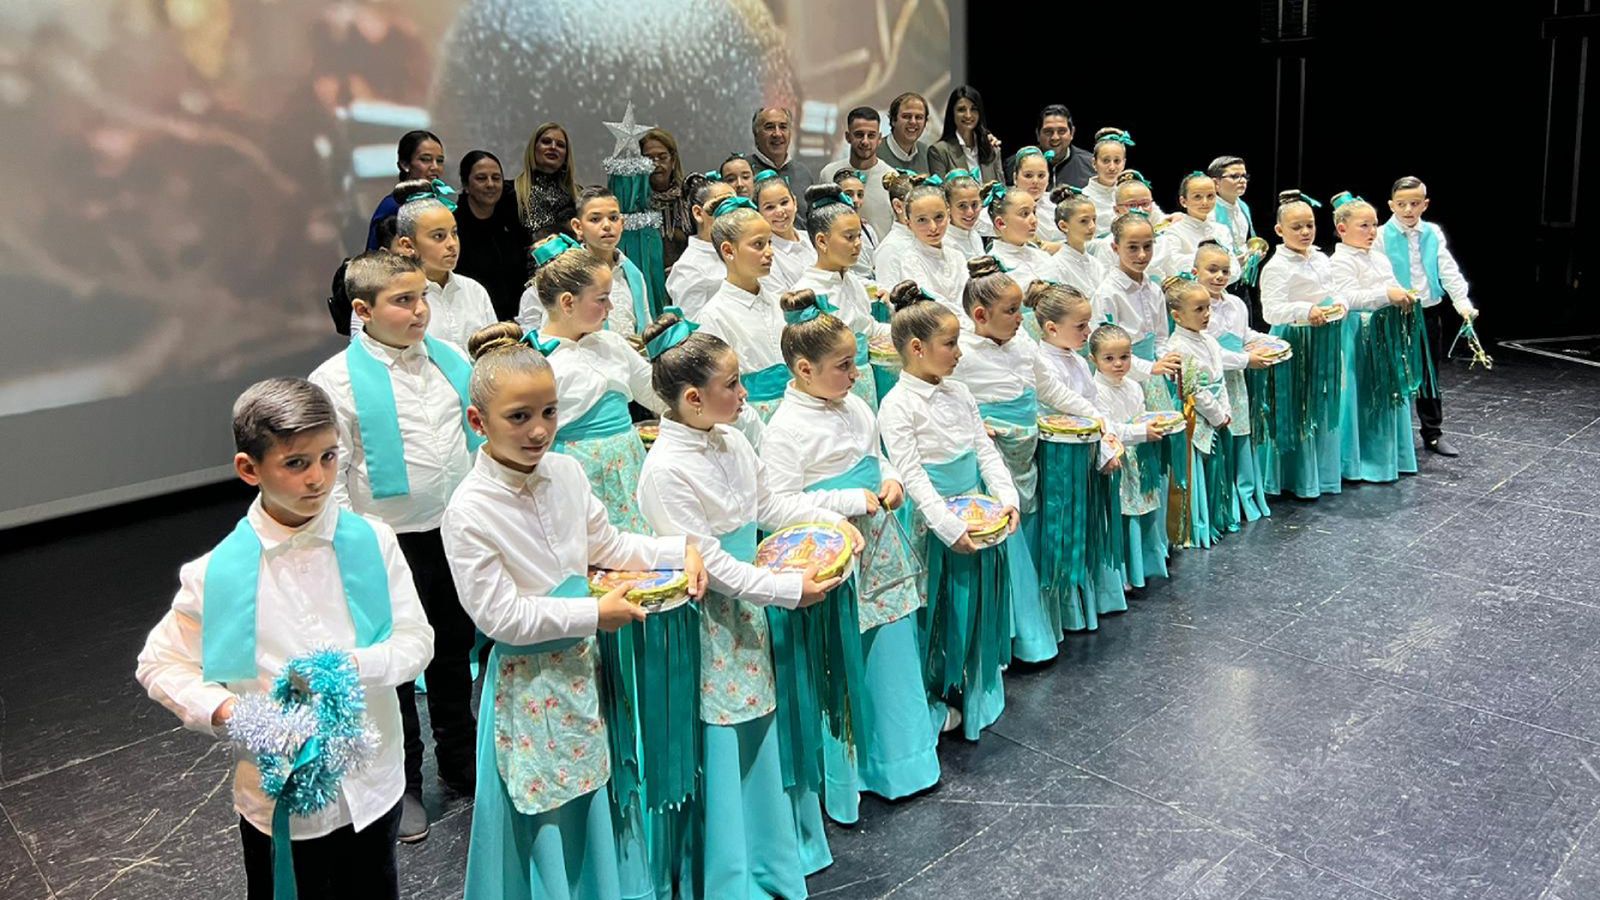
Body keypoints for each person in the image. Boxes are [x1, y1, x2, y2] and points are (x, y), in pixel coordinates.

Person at [136, 377, 434, 899]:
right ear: (250, 469)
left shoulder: (374, 541)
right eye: (296, 464)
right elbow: (159, 664)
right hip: (283, 803)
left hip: (374, 781)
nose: (318, 479)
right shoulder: (216, 574)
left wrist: (351, 667)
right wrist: (235, 715)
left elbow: (416, 640)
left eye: (328, 457)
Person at [441, 324, 706, 900]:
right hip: (530, 680)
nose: (539, 430)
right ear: (477, 422)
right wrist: (593, 615)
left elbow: (607, 545)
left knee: (601, 794)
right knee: (550, 810)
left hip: (588, 665)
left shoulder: (565, 471)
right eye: (519, 417)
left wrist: (680, 550)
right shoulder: (467, 511)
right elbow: (500, 618)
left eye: (549, 412)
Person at [635, 323, 860, 898]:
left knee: (766, 726)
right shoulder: (665, 471)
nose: (743, 394)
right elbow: (708, 561)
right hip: (711, 619)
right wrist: (788, 590)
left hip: (755, 601)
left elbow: (769, 506)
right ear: (692, 399)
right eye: (732, 385)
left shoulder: (732, 440)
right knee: (727, 735)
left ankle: (778, 856)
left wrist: (832, 523)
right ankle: (736, 874)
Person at [309, 250, 483, 840]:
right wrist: (352, 549)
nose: (419, 312)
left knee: (456, 648)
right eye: (403, 301)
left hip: (455, 531)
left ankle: (461, 759)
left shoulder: (449, 361)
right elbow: (334, 476)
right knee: (396, 667)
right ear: (363, 310)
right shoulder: (334, 381)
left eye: (423, 298)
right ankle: (403, 782)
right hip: (388, 543)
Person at [758, 289, 937, 824]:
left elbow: (876, 455)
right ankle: (853, 774)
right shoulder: (785, 429)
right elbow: (776, 507)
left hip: (879, 546)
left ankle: (903, 758)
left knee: (893, 649)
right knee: (846, 662)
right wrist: (847, 500)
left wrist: (889, 477)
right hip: (836, 556)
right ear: (805, 369)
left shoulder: (856, 404)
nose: (855, 374)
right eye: (843, 366)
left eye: (855, 362)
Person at [877, 287, 1021, 741]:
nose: (959, 353)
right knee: (939, 608)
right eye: (950, 344)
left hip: (976, 510)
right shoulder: (897, 405)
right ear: (917, 349)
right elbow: (912, 475)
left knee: (977, 602)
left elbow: (982, 447)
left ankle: (976, 685)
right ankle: (936, 690)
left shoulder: (959, 392)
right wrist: (947, 524)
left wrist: (1006, 497)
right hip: (932, 524)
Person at [1373, 175, 1477, 458]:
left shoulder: (1432, 233)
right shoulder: (1381, 235)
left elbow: (1447, 268)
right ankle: (1391, 434)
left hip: (1427, 311)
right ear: (1391, 205)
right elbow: (1377, 272)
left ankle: (1432, 433)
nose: (1408, 210)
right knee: (1392, 371)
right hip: (1394, 312)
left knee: (1429, 372)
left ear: (1425, 204)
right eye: (1402, 204)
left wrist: (1461, 301)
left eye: (1414, 203)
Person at [1330, 192, 1427, 484]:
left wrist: (1404, 296)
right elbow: (1346, 296)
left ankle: (1390, 458)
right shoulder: (1339, 261)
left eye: (1374, 225)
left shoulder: (1379, 258)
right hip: (1358, 336)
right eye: (1364, 226)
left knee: (1387, 393)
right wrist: (1386, 296)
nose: (1372, 231)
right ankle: (1360, 462)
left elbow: (1391, 285)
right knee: (1362, 395)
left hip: (1382, 336)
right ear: (1342, 229)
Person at [1259, 190, 1350, 500]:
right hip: (1295, 338)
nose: (1305, 232)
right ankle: (1291, 478)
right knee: (1295, 407)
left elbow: (1335, 291)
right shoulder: (1277, 266)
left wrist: (1339, 305)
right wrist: (1305, 311)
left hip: (1323, 340)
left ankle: (1321, 476)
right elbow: (1271, 310)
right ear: (1279, 231)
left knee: (1319, 404)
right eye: (1296, 227)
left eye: (1309, 225)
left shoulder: (1321, 258)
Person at [358, 189, 497, 348]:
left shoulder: (474, 290)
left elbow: (493, 351)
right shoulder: (393, 299)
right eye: (438, 236)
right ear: (408, 245)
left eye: (454, 233)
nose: (452, 244)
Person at [695, 196, 790, 423]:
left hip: (794, 410)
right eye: (758, 244)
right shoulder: (714, 315)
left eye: (770, 243)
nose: (769, 252)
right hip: (748, 417)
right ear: (728, 250)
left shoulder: (779, 301)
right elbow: (718, 385)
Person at [793, 183, 890, 407]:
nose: (857, 244)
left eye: (859, 236)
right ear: (822, 241)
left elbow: (869, 329)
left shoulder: (853, 281)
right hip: (830, 393)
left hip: (864, 380)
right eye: (848, 237)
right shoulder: (807, 293)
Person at [1091, 325, 1171, 588]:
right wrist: (1140, 431)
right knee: (1121, 516)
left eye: (1124, 357)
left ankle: (1144, 566)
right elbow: (1108, 428)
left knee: (1142, 512)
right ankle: (1123, 573)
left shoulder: (1134, 386)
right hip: (1116, 460)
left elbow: (1141, 414)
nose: (1118, 364)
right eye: (1109, 359)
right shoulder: (1096, 390)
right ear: (1094, 360)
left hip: (1138, 459)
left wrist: (1153, 426)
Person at [518, 188, 652, 335]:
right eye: (595, 219)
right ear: (578, 227)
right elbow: (535, 325)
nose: (607, 225)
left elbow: (645, 321)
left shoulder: (633, 275)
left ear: (622, 224)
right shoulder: (564, 275)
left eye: (613, 218)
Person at [453, 150, 531, 320]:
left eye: (496, 178)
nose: (490, 184)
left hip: (518, 321)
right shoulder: (453, 227)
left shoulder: (515, 222)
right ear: (466, 185)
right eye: (481, 178)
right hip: (473, 320)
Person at [664, 173, 737, 319]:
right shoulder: (688, 268)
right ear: (698, 213)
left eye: (736, 205)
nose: (732, 212)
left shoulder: (743, 249)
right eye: (723, 206)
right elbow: (694, 330)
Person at [818, 106, 897, 236]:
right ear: (848, 137)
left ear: (879, 139)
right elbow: (821, 221)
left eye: (871, 135)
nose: (865, 141)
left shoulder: (892, 178)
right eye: (859, 135)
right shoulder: (828, 174)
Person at [366, 129, 444, 251]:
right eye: (425, 159)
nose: (435, 167)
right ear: (405, 164)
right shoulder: (393, 206)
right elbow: (374, 260)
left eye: (439, 161)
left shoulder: (440, 203)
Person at [513, 122, 579, 243]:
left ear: (566, 156)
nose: (553, 147)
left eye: (560, 145)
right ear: (533, 149)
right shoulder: (511, 192)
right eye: (546, 142)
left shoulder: (579, 196)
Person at [927, 85, 1004, 184]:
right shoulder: (939, 152)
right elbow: (940, 194)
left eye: (974, 109)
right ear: (952, 113)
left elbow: (1001, 190)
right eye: (961, 110)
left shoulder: (991, 148)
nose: (968, 115)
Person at [641, 128, 692, 268]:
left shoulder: (689, 197)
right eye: (648, 159)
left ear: (673, 160)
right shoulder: (636, 204)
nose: (656, 164)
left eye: (662, 157)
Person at [751, 107, 818, 217]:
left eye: (783, 127)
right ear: (756, 135)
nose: (777, 134)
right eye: (769, 127)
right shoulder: (743, 173)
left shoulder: (803, 173)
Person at [1008, 104, 1093, 189]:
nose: (1055, 137)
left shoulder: (1090, 165)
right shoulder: (1014, 164)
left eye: (1061, 131)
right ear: (1038, 134)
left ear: (1072, 133)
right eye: (1048, 132)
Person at [880, 92, 933, 173]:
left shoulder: (927, 153)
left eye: (919, 117)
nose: (913, 122)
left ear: (925, 122)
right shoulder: (874, 152)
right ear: (893, 120)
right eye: (906, 116)